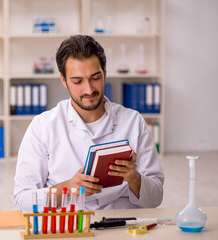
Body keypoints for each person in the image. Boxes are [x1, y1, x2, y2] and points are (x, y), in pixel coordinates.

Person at [13, 35, 164, 212]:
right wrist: (68, 188)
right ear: (64, 80)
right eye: (77, 81)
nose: (89, 89)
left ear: (105, 73)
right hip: (69, 228)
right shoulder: (43, 126)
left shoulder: (133, 122)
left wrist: (134, 178)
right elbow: (21, 202)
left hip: (122, 227)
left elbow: (156, 198)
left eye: (95, 78)